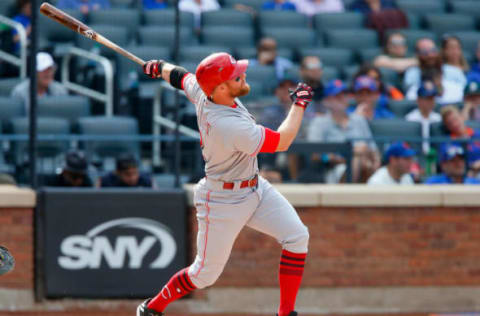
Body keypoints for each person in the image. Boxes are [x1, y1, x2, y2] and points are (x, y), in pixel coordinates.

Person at [139, 52, 312, 316]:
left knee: (297, 237)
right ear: (220, 87)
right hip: (223, 200)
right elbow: (283, 141)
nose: (242, 76)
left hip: (254, 186)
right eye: (235, 76)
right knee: (204, 275)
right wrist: (298, 105)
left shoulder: (205, 90)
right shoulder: (227, 126)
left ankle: (286, 313)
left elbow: (181, 76)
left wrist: (159, 67)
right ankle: (152, 308)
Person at [308, 79, 380, 183]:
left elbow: (373, 149)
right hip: (332, 169)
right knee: (355, 160)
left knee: (365, 164)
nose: (342, 98)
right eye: (337, 96)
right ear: (327, 101)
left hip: (365, 167)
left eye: (344, 95)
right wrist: (348, 156)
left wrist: (375, 163)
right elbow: (315, 154)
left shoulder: (359, 119)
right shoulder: (320, 122)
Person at [404, 38, 466, 105]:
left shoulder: (454, 71)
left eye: (433, 50)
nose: (430, 55)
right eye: (425, 52)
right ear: (418, 54)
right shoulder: (412, 74)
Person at [405, 80, 442, 154]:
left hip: (436, 155)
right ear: (418, 100)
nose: (430, 101)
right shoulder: (410, 119)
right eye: (427, 98)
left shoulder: (439, 118)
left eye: (432, 98)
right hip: (416, 155)